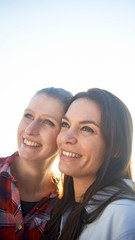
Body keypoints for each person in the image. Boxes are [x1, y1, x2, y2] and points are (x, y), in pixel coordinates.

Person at [42, 88, 135, 240]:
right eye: (66, 124)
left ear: (116, 149)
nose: (67, 137)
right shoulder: (65, 206)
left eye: (86, 129)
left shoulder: (124, 212)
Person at [0, 87, 72, 240]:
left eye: (48, 122)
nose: (30, 130)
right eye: (28, 115)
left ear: (64, 134)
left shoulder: (65, 206)